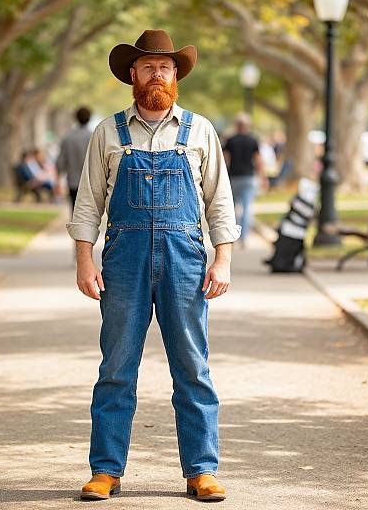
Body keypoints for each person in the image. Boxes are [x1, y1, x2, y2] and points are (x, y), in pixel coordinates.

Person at [67, 30, 240, 501]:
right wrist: (85, 261)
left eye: (165, 67)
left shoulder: (199, 130)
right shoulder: (108, 132)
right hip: (123, 261)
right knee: (117, 367)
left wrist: (222, 259)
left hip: (185, 261)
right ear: (132, 74)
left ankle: (201, 470)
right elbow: (88, 204)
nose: (156, 74)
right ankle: (106, 470)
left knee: (193, 367)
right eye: (147, 67)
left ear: (176, 75)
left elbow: (219, 201)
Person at [223, 113, 266, 246]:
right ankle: (244, 238)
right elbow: (258, 160)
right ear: (247, 125)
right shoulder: (253, 140)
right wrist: (263, 176)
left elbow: (225, 159)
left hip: (234, 177)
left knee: (232, 209)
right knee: (247, 209)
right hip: (248, 177)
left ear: (237, 125)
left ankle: (233, 238)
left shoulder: (230, 140)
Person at [56, 107, 93, 211]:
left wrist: (57, 181)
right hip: (90, 182)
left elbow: (60, 162)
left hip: (73, 181)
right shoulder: (93, 136)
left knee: (75, 212)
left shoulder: (68, 137)